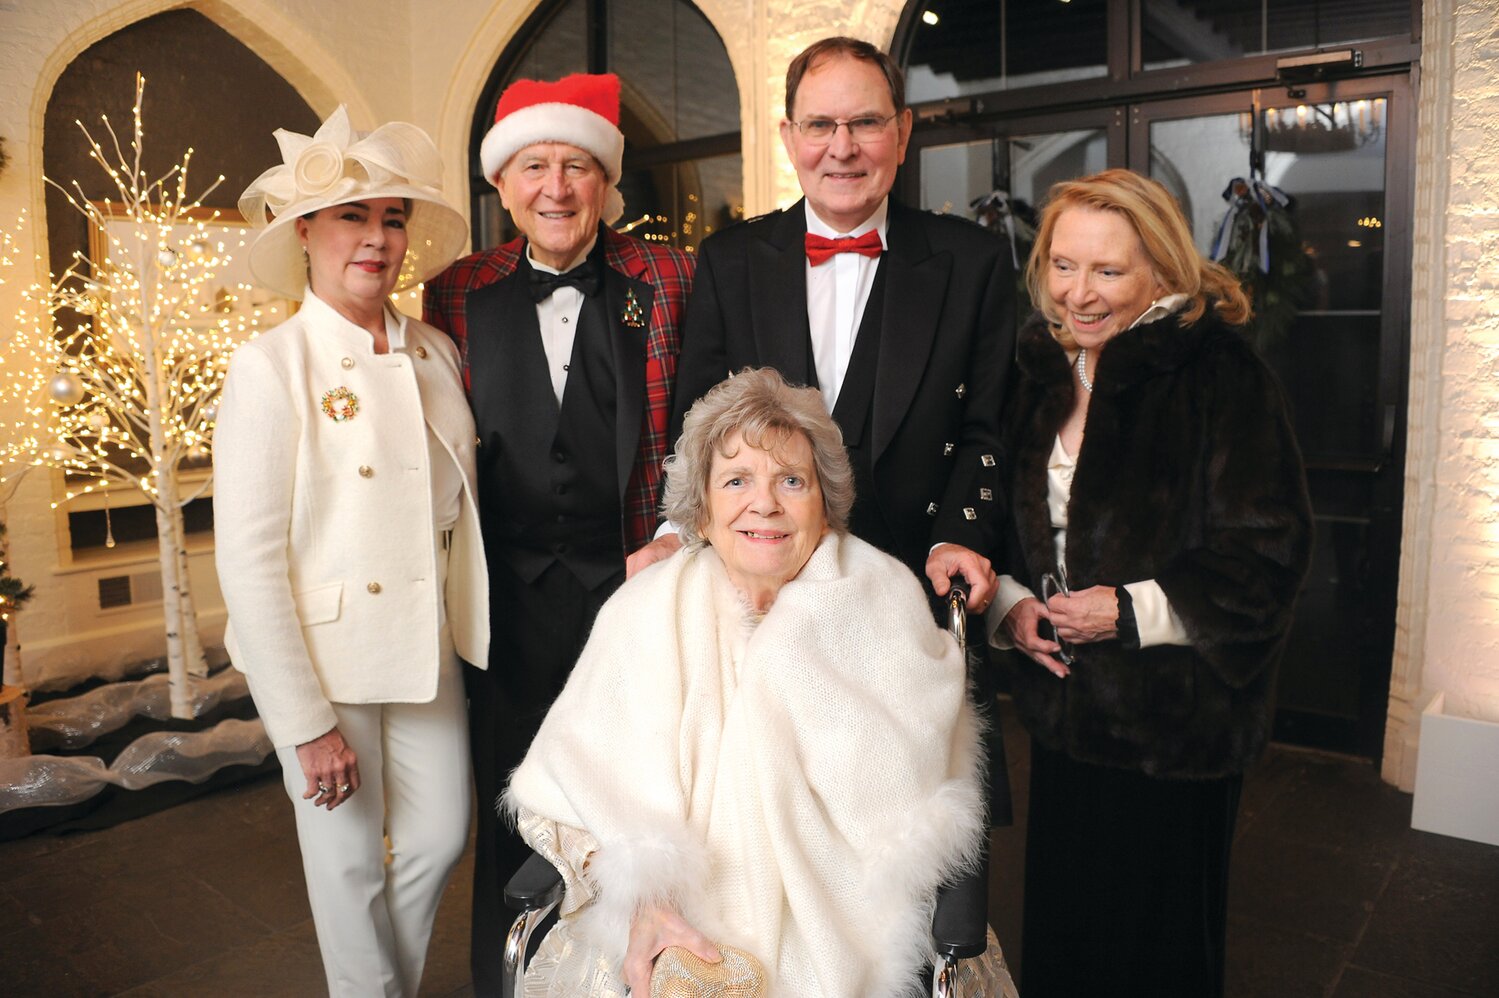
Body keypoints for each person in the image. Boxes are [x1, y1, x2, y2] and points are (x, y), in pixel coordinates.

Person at [506, 368, 997, 997]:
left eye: (791, 481)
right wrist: (642, 899)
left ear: (826, 507)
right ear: (702, 513)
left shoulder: (883, 599)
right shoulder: (644, 611)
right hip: (671, 924)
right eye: (736, 480)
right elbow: (567, 792)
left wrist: (791, 658)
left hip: (845, 922)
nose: (763, 504)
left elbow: (909, 794)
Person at [639, 34, 1015, 822]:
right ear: (788, 138)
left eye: (865, 124)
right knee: (765, 828)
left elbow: (987, 426)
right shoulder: (730, 259)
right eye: (819, 126)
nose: (840, 148)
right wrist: (683, 533)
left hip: (908, 600)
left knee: (901, 842)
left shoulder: (972, 260)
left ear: (902, 134)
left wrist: (959, 534)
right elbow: (697, 431)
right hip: (763, 604)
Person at [987, 168, 1313, 997]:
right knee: (1064, 940)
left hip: (1177, 728)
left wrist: (1127, 612)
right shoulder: (1038, 374)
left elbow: (1267, 556)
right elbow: (1004, 532)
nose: (1078, 294)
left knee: (1156, 956)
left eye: (1107, 272)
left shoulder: (1220, 376)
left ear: (1161, 272)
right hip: (1064, 719)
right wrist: (1013, 606)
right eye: (1063, 265)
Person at [421, 72, 693, 995]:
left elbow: (702, 425)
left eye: (576, 165)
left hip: (637, 589)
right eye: (534, 166)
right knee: (513, 803)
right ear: (502, 185)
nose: (556, 187)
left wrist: (679, 534)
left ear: (606, 180)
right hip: (506, 603)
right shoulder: (455, 293)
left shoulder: (668, 277)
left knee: (635, 804)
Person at [214, 106, 486, 997]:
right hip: (325, 662)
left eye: (393, 218)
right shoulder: (270, 365)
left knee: (443, 834)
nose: (377, 239)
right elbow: (249, 564)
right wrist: (304, 723)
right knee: (346, 870)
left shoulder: (436, 351)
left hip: (425, 645)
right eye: (352, 216)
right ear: (304, 232)